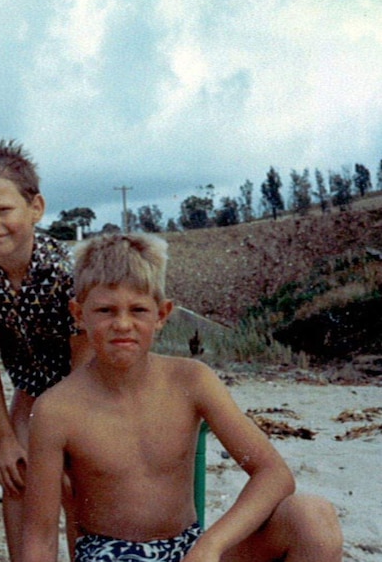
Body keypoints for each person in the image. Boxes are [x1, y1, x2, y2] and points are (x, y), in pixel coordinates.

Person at [22, 233, 343, 562]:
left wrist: (211, 544)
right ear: (78, 314)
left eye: (138, 310)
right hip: (109, 554)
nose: (122, 324)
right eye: (105, 310)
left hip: (189, 549)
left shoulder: (191, 379)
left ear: (162, 314)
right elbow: (39, 537)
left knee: (312, 518)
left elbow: (273, 474)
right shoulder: (56, 409)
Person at [0, 139, 86, 560]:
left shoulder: (65, 272)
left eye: (2, 209)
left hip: (85, 392)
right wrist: (6, 439)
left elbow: (84, 364)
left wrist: (65, 437)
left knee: (76, 485)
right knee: (17, 475)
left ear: (35, 208)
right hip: (29, 392)